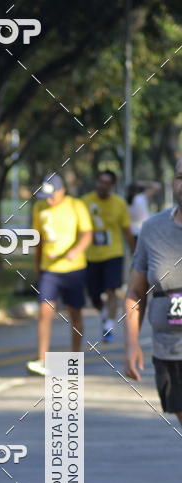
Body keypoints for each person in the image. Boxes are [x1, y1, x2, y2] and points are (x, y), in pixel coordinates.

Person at [125, 158, 182, 427]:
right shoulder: (153, 229)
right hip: (168, 351)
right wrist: (133, 344)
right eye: (181, 176)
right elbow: (136, 291)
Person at [27, 173, 93, 376]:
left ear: (62, 190)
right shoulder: (40, 208)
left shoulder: (76, 205)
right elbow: (38, 238)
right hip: (50, 269)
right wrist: (37, 263)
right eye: (45, 196)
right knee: (44, 313)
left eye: (52, 195)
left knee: (75, 313)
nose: (49, 200)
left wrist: (75, 250)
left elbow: (87, 234)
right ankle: (42, 359)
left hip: (73, 269)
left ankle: (75, 356)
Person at [82, 170, 135, 342]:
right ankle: (103, 312)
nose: (102, 185)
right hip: (91, 255)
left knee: (112, 289)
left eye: (106, 183)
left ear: (112, 186)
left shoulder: (119, 204)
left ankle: (108, 326)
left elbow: (127, 231)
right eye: (100, 181)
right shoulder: (85, 202)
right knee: (94, 295)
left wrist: (136, 253)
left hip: (113, 253)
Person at [127, 180, 161, 245]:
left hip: (133, 232)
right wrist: (144, 183)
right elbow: (157, 186)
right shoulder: (140, 198)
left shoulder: (127, 201)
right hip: (144, 231)